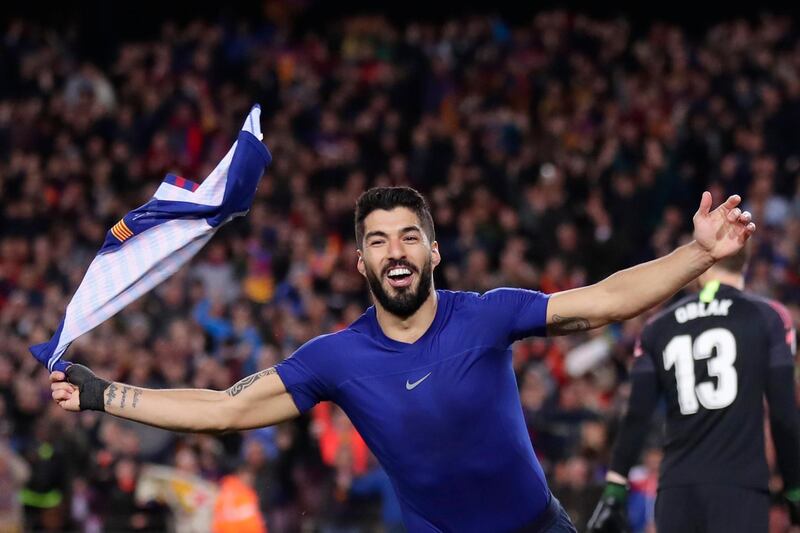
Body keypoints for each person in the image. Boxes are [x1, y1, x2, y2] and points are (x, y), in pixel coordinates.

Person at [50, 186, 755, 532]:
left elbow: (603, 300)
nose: (396, 250)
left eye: (410, 236)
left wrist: (698, 253)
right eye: (379, 240)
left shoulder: (485, 313)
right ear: (360, 262)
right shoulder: (338, 356)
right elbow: (227, 410)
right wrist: (103, 393)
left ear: (433, 251)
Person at [587, 246, 800, 533]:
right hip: (739, 488)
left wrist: (615, 489)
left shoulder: (656, 327)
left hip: (677, 490)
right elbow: (784, 416)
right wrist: (794, 490)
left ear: (699, 264)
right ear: (745, 262)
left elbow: (636, 416)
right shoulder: (769, 317)